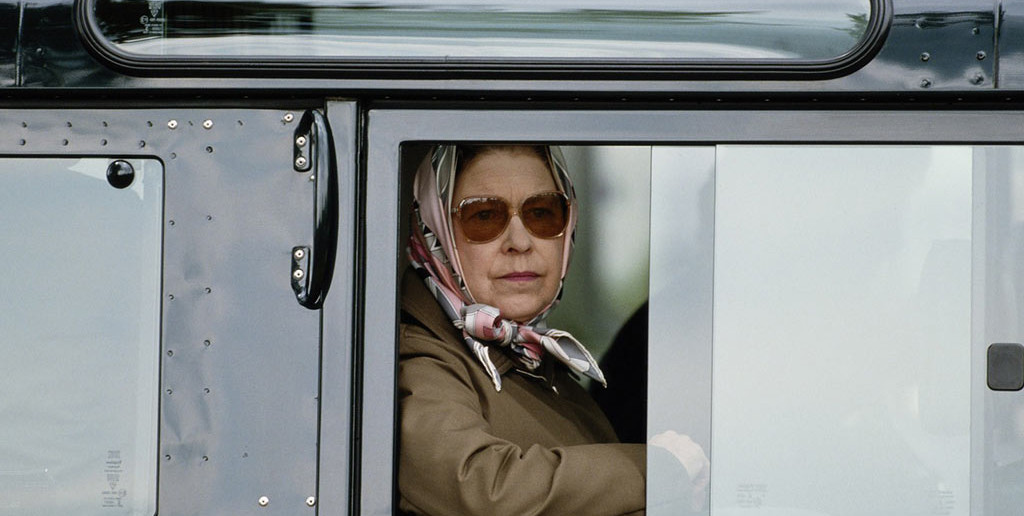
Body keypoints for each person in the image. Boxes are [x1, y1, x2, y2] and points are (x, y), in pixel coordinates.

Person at [398, 144, 708, 515]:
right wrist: (656, 470)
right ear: (436, 232)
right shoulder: (418, 360)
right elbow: (482, 489)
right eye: (484, 216)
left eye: (542, 214)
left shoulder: (543, 368)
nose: (520, 242)